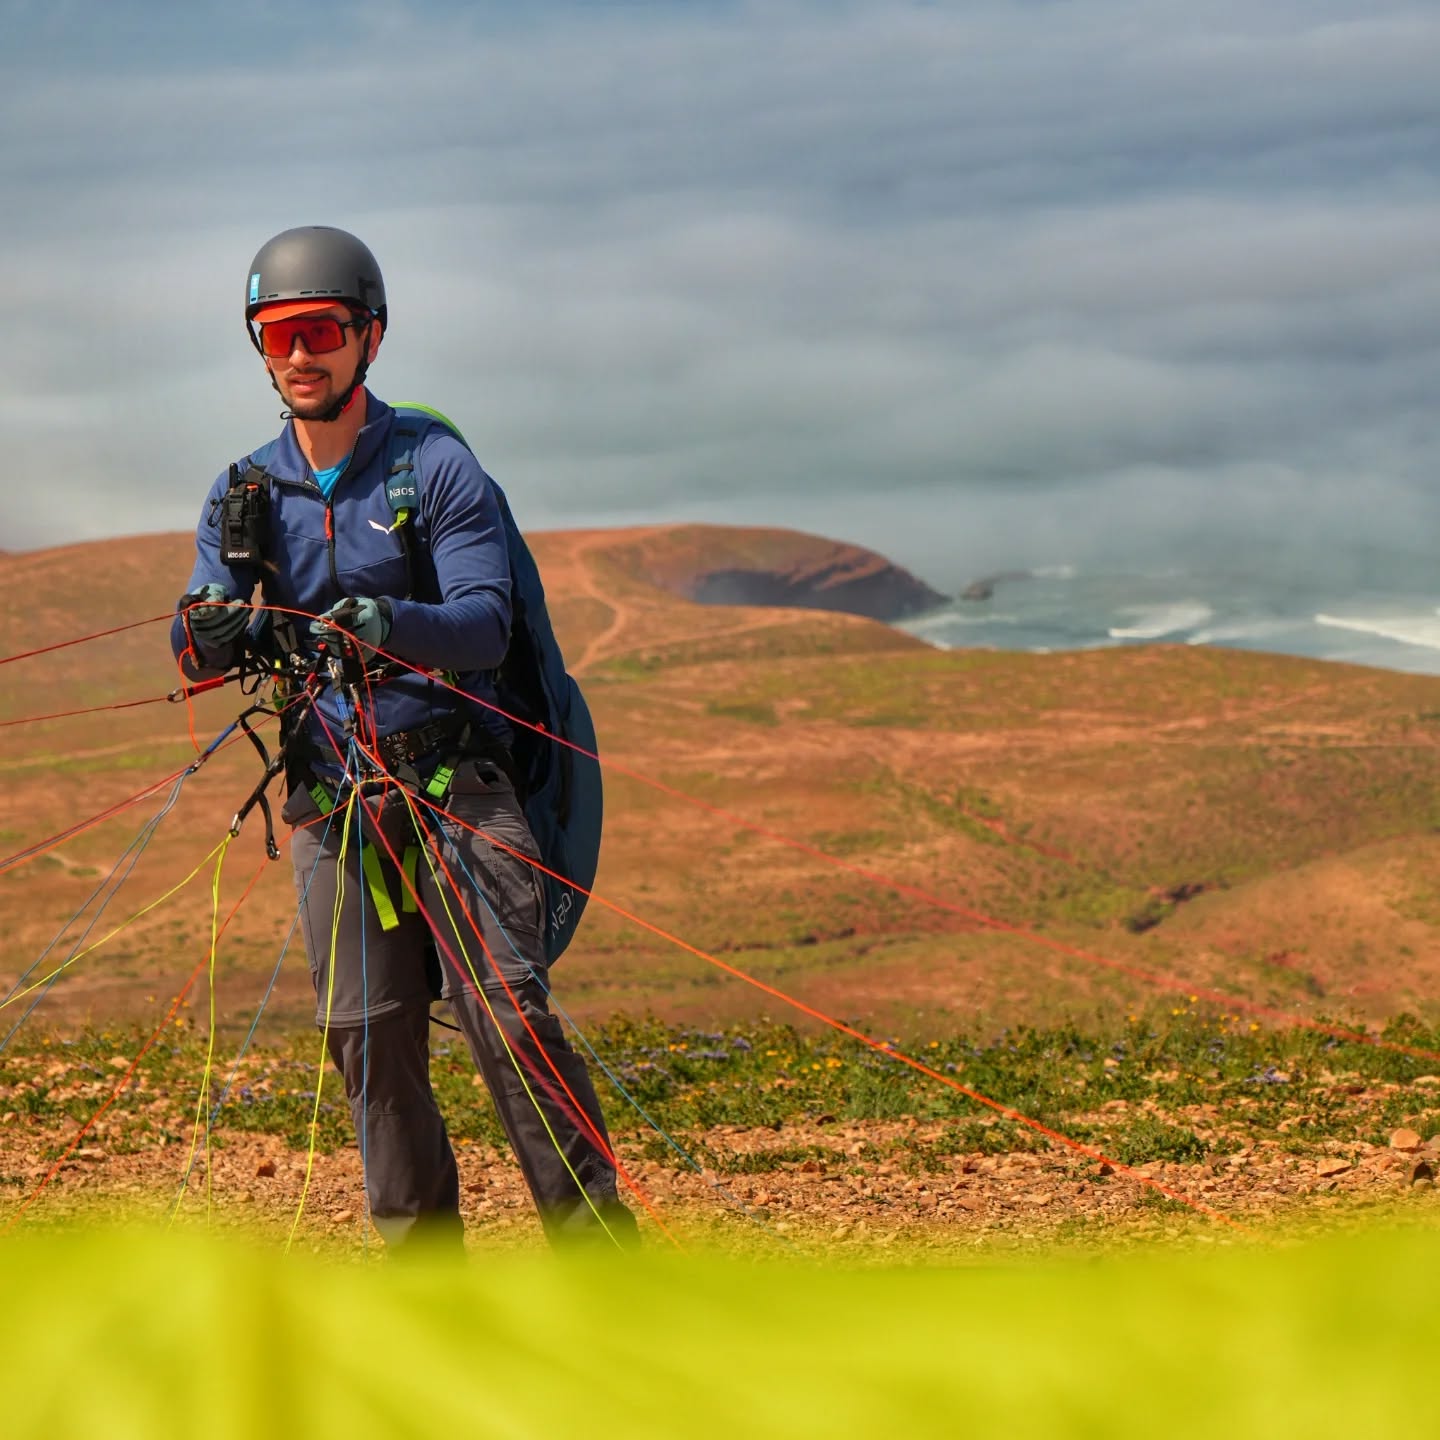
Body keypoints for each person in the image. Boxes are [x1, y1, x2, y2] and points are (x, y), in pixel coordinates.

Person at [171, 225, 636, 1250]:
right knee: (367, 1047)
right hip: (331, 802)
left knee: (512, 1027)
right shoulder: (240, 495)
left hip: (457, 787)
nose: (300, 353)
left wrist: (388, 625)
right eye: (278, 333)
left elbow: (484, 623)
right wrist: (204, 631)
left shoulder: (435, 469)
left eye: (321, 330)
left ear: (368, 337)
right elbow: (193, 649)